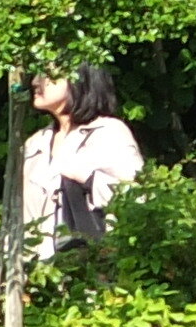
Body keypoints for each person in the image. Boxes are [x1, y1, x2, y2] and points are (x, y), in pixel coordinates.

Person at [19, 63, 143, 260]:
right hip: (39, 279)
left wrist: (88, 180)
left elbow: (137, 201)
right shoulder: (35, 144)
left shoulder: (109, 134)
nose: (35, 81)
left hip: (94, 276)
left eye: (46, 74)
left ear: (79, 79)